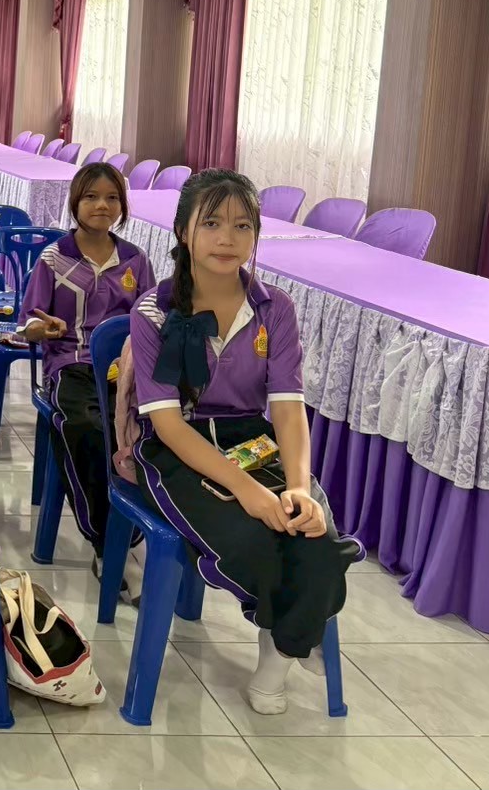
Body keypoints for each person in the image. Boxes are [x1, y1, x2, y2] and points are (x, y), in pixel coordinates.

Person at [128, 169, 361, 715]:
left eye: (242, 225)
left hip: (253, 439)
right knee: (255, 538)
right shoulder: (154, 312)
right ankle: (298, 635)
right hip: (178, 448)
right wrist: (247, 491)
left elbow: (287, 408)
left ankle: (277, 657)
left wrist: (297, 486)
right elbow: (169, 425)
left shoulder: (275, 307)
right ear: (183, 231)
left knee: (314, 530)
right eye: (211, 223)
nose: (227, 238)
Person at [19, 162, 155, 600]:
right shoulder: (53, 259)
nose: (102, 205)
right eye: (92, 196)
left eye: (112, 197)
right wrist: (42, 329)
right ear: (75, 202)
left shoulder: (135, 259)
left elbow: (151, 319)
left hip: (124, 370)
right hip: (71, 367)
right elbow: (27, 324)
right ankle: (106, 540)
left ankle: (138, 528)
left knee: (147, 430)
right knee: (87, 428)